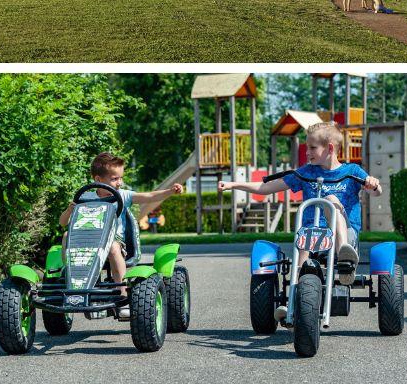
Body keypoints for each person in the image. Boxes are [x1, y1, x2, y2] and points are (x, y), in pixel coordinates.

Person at [218, 121, 382, 298]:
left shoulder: (352, 171)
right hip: (313, 234)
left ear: (330, 148)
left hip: (345, 233)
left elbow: (376, 192)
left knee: (330, 199)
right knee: (304, 242)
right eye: (307, 147)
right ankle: (293, 304)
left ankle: (344, 256)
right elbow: (266, 187)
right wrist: (233, 184)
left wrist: (373, 185)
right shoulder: (306, 173)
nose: (307, 152)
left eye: (312, 148)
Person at [58, 152, 183, 320]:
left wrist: (170, 191)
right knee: (66, 235)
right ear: (98, 179)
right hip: (87, 242)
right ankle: (71, 282)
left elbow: (149, 197)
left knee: (113, 247)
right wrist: (69, 210)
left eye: (120, 178)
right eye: (115, 179)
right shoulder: (85, 197)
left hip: (114, 241)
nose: (120, 182)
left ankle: (123, 296)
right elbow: (63, 222)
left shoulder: (123, 195)